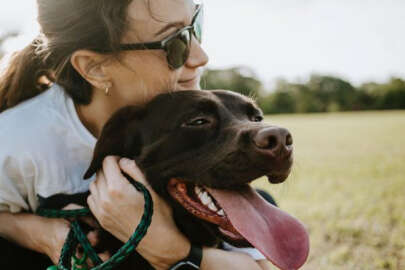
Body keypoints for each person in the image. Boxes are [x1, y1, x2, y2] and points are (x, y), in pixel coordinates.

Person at [0, 0, 273, 269]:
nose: (200, 56)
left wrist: (167, 248)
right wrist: (44, 234)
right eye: (175, 43)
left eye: (195, 26)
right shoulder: (17, 140)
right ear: (95, 67)